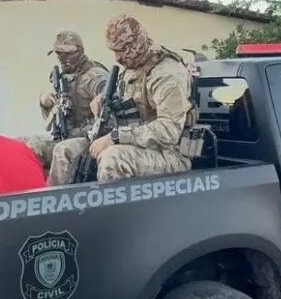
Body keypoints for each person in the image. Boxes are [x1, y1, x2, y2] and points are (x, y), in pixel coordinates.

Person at [47, 14, 198, 186]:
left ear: (137, 43)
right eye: (114, 51)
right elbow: (126, 101)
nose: (117, 58)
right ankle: (59, 203)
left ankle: (108, 205)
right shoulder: (133, 68)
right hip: (135, 144)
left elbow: (168, 130)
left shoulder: (167, 73)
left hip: (170, 153)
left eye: (122, 50)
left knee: (113, 159)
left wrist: (116, 137)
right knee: (64, 150)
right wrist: (103, 99)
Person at [23, 31, 109, 167]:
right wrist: (45, 102)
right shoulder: (65, 77)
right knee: (21, 144)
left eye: (68, 53)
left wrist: (101, 98)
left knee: (43, 149)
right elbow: (56, 118)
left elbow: (108, 115)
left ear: (80, 52)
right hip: (65, 135)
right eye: (58, 53)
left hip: (90, 138)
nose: (62, 58)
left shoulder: (95, 77)